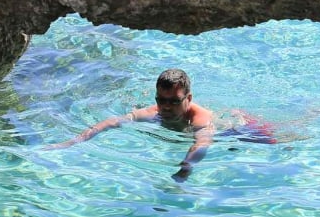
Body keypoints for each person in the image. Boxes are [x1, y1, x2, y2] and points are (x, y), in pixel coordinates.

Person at [52, 68, 217, 181]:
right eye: (161, 100)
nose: (166, 107)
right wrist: (73, 142)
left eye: (174, 101)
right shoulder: (152, 112)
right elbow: (112, 121)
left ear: (188, 99)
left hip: (231, 131)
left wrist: (185, 170)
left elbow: (201, 144)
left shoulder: (200, 119)